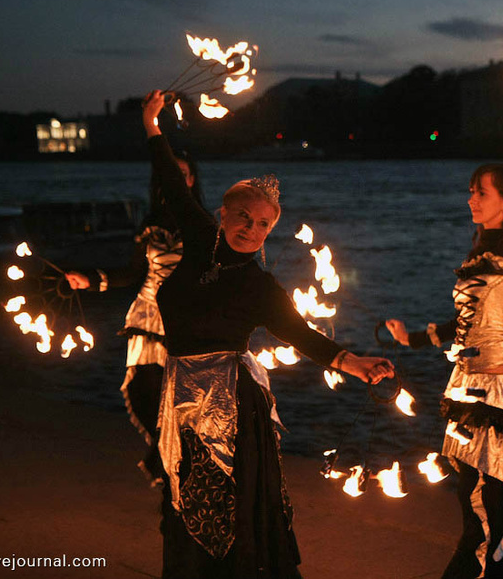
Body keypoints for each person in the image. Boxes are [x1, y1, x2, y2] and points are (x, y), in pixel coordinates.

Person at [141, 89, 396, 579]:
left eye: (263, 225)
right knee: (183, 497)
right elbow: (172, 183)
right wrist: (153, 126)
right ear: (222, 212)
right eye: (244, 217)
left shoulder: (259, 285)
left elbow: (301, 334)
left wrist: (355, 363)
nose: (252, 229)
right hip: (179, 392)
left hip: (230, 404)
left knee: (225, 508)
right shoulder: (198, 240)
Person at [385, 151, 503, 579]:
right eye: (471, 192)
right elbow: (464, 325)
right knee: (472, 502)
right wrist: (412, 338)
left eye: (481, 192)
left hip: (500, 395)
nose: (471, 199)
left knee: (488, 509)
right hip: (465, 391)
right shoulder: (480, 253)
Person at [65, 140, 202, 483]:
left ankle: (184, 469)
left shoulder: (203, 225)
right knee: (145, 391)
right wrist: (90, 280)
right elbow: (132, 273)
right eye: (169, 173)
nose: (175, 178)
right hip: (147, 315)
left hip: (186, 321)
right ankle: (165, 462)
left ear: (191, 180)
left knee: (186, 402)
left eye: (182, 173)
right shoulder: (149, 224)